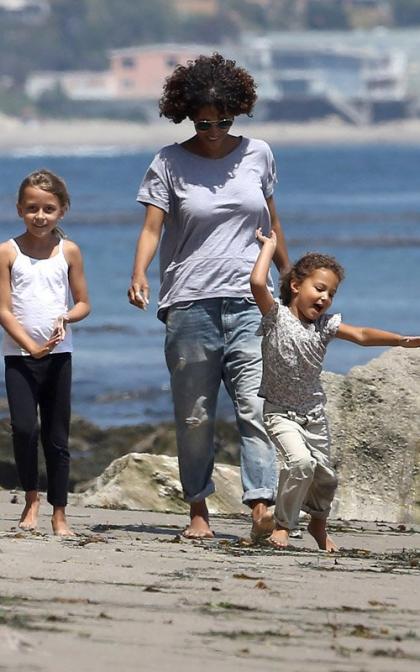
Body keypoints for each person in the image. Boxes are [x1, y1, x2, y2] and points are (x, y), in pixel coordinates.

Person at [128, 53, 289, 539]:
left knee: (255, 408)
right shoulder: (169, 161)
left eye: (224, 119)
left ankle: (260, 505)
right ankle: (198, 511)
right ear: (187, 113)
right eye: (203, 120)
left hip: (251, 300)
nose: (214, 128)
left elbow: (272, 223)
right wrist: (138, 271)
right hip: (189, 304)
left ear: (237, 110)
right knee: (196, 414)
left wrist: (291, 275)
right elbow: (153, 228)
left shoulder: (258, 153)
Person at [251, 228, 420, 551]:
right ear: (296, 286)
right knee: (300, 465)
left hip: (313, 415)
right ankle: (284, 526)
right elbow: (258, 284)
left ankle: (313, 523)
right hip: (280, 413)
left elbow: (360, 334)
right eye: (319, 289)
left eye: (331, 294)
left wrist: (401, 340)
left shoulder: (324, 326)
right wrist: (270, 248)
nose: (325, 298)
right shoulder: (275, 317)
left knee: (325, 477)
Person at [0, 169, 90, 536]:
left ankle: (60, 512)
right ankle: (31, 499)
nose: (40, 216)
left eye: (49, 209)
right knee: (23, 429)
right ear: (20, 209)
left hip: (58, 358)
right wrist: (30, 346)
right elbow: (3, 310)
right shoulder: (7, 251)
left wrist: (66, 317)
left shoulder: (69, 251)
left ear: (62, 211)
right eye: (33, 208)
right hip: (20, 359)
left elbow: (84, 303)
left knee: (56, 436)